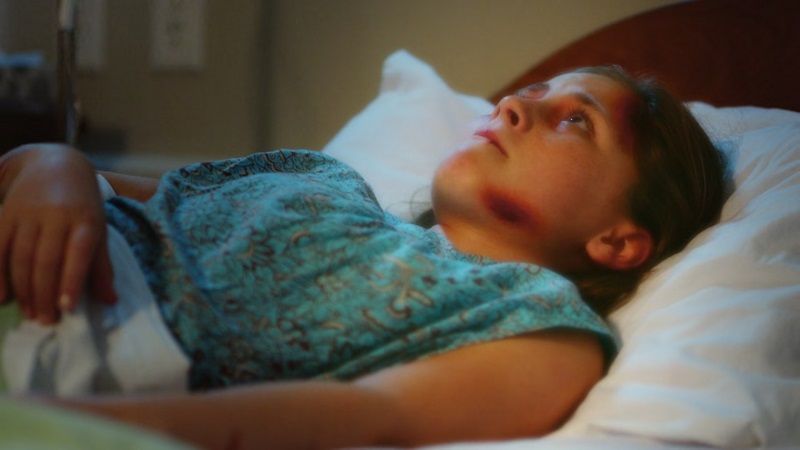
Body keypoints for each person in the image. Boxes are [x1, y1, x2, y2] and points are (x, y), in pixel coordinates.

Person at [0, 66, 725, 449]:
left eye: (575, 121)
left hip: (68, 348)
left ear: (619, 240)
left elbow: (368, 417)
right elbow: (97, 184)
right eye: (532, 91)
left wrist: (56, 424)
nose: (512, 105)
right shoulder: (318, 177)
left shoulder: (541, 327)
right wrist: (52, 164)